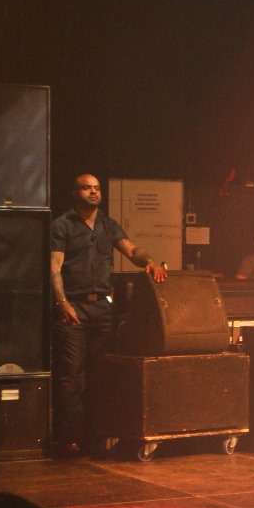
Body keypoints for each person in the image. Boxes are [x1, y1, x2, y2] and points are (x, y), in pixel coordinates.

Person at [50, 173, 168, 457]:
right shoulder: (62, 225)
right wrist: (62, 303)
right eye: (87, 188)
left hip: (102, 308)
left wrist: (150, 262)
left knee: (101, 372)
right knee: (71, 375)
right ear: (75, 192)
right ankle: (69, 438)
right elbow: (54, 267)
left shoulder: (107, 224)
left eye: (97, 188)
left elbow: (132, 249)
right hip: (74, 306)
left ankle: (97, 436)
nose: (93, 192)